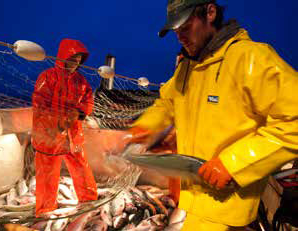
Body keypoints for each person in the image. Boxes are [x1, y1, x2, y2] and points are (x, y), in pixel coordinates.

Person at [124, 0, 298, 230]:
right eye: (176, 31)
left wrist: (233, 163)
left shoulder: (251, 58)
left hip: (226, 210)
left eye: (185, 27)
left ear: (210, 12)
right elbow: (167, 103)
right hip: (191, 201)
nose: (180, 37)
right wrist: (144, 127)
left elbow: (293, 121)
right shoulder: (187, 68)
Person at [32, 39, 97, 216]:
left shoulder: (81, 81)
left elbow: (88, 101)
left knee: (81, 166)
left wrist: (79, 113)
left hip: (73, 133)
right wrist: (57, 122)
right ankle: (46, 211)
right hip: (49, 135)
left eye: (78, 61)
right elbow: (40, 104)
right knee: (47, 173)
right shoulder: (47, 76)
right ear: (62, 57)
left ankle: (89, 201)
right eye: (72, 59)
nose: (75, 64)